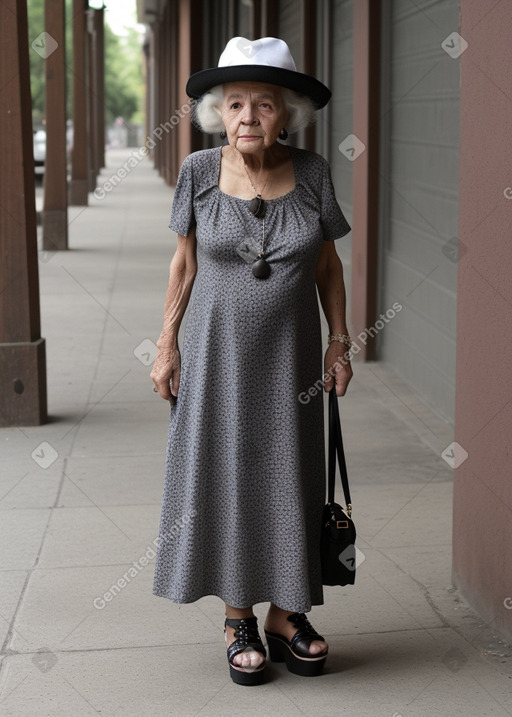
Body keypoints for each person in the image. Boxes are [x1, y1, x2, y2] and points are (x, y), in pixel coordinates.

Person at [150, 36, 352, 686]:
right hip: (216, 360)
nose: (247, 117)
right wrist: (166, 343)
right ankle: (238, 613)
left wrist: (339, 340)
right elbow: (183, 263)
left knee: (290, 473)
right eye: (235, 104)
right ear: (218, 112)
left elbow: (327, 264)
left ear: (286, 111)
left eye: (262, 105)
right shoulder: (199, 173)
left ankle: (286, 612)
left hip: (291, 363)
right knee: (229, 476)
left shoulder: (314, 172)